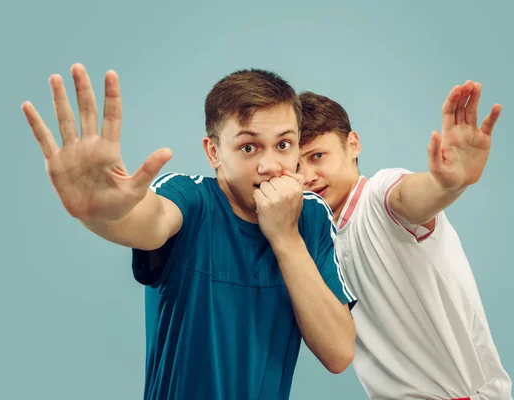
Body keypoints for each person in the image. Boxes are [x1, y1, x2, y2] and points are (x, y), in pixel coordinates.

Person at [21, 63, 357, 400]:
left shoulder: (312, 216)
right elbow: (149, 220)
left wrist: (285, 237)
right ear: (214, 152)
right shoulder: (191, 198)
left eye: (283, 145)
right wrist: (102, 211)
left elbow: (339, 353)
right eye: (248, 148)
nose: (269, 167)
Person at [295, 82, 512, 400]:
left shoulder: (380, 196)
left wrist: (447, 185)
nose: (308, 176)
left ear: (352, 144)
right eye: (297, 166)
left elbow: (412, 197)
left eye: (317, 156)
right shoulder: (311, 242)